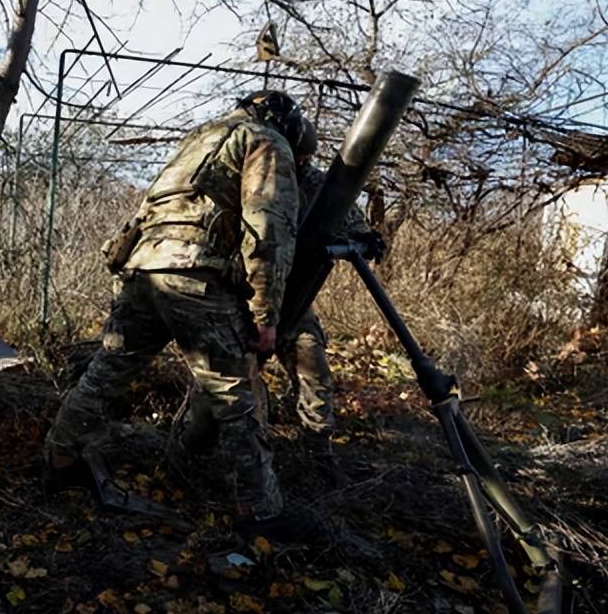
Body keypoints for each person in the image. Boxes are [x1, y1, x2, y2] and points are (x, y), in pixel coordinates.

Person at [44, 91, 304, 525]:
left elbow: (150, 207)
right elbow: (268, 229)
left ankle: (58, 460)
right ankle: (260, 512)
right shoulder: (265, 139)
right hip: (195, 275)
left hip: (142, 269)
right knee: (235, 395)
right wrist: (265, 312)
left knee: (105, 373)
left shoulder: (200, 137)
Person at [277, 119, 386, 453]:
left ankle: (317, 447)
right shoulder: (251, 172)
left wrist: (364, 236)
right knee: (233, 375)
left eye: (302, 158)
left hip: (293, 294)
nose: (299, 163)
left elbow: (345, 213)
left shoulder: (311, 180)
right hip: (242, 291)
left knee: (313, 363)